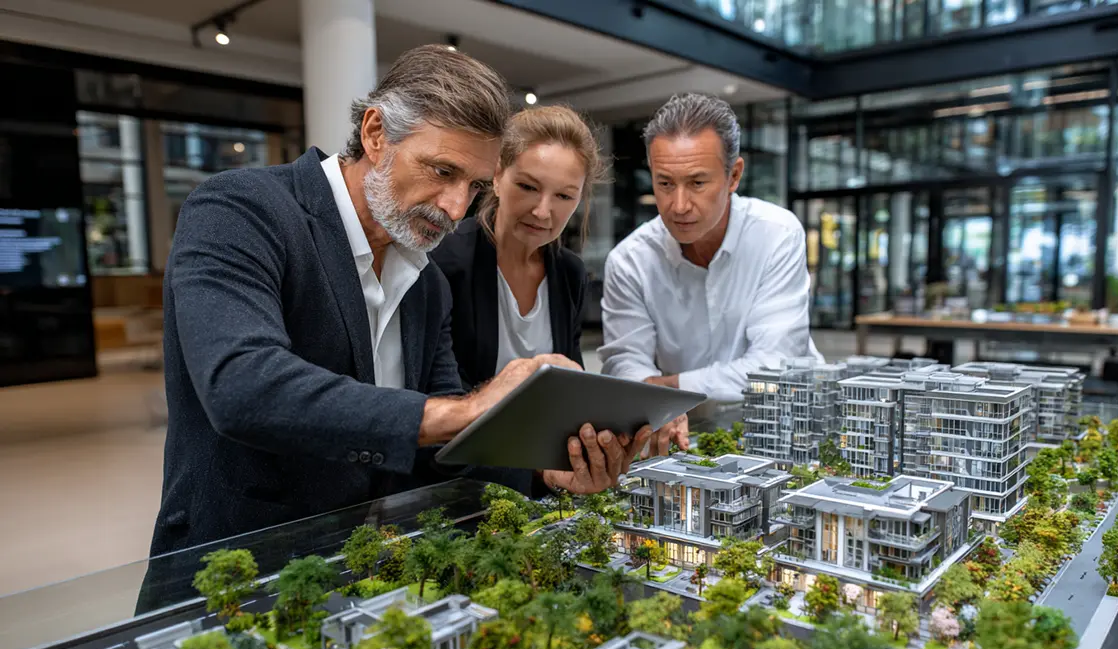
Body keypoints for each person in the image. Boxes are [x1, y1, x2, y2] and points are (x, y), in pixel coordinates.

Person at [148, 46, 649, 571]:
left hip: (363, 566)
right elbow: (242, 387)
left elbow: (438, 452)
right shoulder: (241, 209)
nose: (456, 207)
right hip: (232, 570)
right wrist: (467, 409)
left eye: (475, 186)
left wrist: (544, 472)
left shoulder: (426, 283)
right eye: (442, 170)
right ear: (375, 133)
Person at [599, 93, 822, 448]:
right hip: (691, 435)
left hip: (786, 425)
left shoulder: (777, 234)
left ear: (734, 176)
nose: (679, 205)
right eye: (665, 183)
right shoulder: (629, 261)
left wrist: (666, 388)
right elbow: (627, 364)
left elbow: (775, 365)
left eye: (697, 183)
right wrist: (650, 391)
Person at [430, 105, 602, 390]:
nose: (542, 212)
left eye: (563, 196)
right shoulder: (445, 260)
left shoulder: (570, 274)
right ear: (497, 176)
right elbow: (437, 389)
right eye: (528, 187)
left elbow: (571, 380)